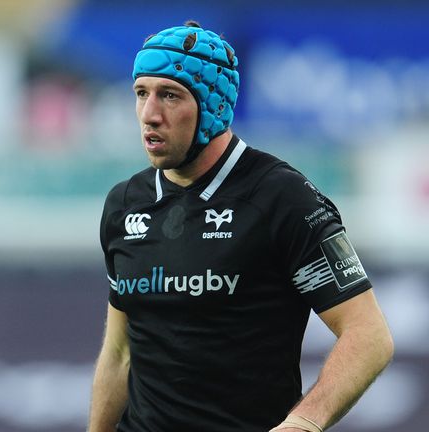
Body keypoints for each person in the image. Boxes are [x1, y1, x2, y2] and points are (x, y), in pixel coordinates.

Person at [88, 20, 394, 432]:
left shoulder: (282, 197)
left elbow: (368, 335)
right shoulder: (124, 205)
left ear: (213, 106)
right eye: (141, 93)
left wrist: (305, 421)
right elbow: (120, 352)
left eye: (170, 96)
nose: (149, 114)